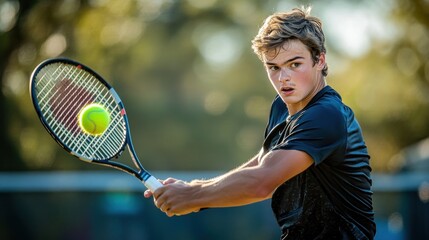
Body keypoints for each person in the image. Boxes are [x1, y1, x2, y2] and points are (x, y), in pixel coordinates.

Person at [144, 6, 376, 240]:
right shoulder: (281, 107)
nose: (283, 77)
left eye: (295, 64)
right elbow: (264, 162)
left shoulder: (327, 114)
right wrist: (192, 191)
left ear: (320, 60)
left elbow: (262, 182)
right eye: (273, 67)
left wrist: (192, 195)